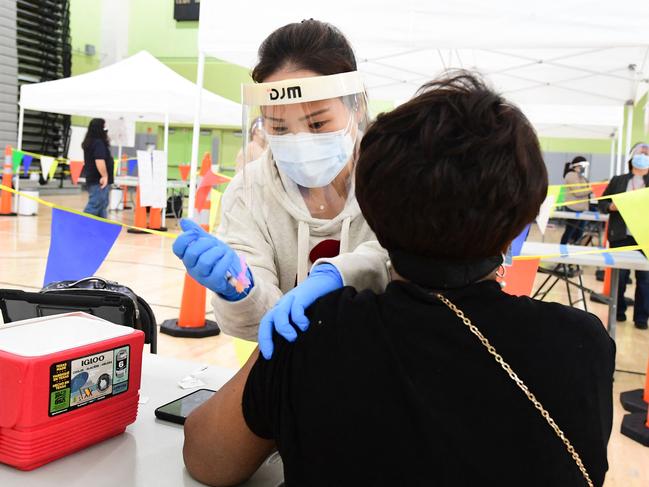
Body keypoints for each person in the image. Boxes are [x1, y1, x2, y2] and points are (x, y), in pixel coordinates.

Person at [182, 72, 615, 487]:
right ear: (519, 220)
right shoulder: (581, 345)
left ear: (370, 208)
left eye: (317, 122)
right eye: (279, 125)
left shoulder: (315, 330)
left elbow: (208, 456)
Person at [173, 20, 388, 340]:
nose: (299, 140)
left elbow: (418, 270)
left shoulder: (395, 180)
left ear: (355, 107)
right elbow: (262, 324)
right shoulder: (249, 193)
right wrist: (241, 290)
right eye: (279, 127)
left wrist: (343, 274)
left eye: (317, 123)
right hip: (289, 371)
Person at [599, 142, 649, 329]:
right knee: (619, 278)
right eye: (640, 153)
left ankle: (642, 318)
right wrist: (611, 206)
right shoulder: (618, 181)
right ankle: (618, 311)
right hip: (620, 235)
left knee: (645, 280)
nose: (643, 155)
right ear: (632, 157)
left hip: (644, 238)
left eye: (647, 153)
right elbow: (602, 202)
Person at [81, 118, 113, 218]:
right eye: (104, 127)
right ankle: (81, 227)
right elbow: (99, 160)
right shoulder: (98, 143)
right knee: (94, 206)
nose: (106, 130)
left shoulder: (91, 142)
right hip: (99, 181)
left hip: (95, 180)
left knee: (102, 206)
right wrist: (105, 176)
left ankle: (101, 230)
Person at [560, 156, 591, 245]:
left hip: (581, 209)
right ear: (578, 166)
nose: (584, 169)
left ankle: (573, 249)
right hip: (573, 208)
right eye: (583, 166)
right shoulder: (571, 175)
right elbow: (578, 192)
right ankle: (562, 248)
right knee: (570, 231)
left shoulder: (581, 177)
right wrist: (592, 189)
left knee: (578, 233)